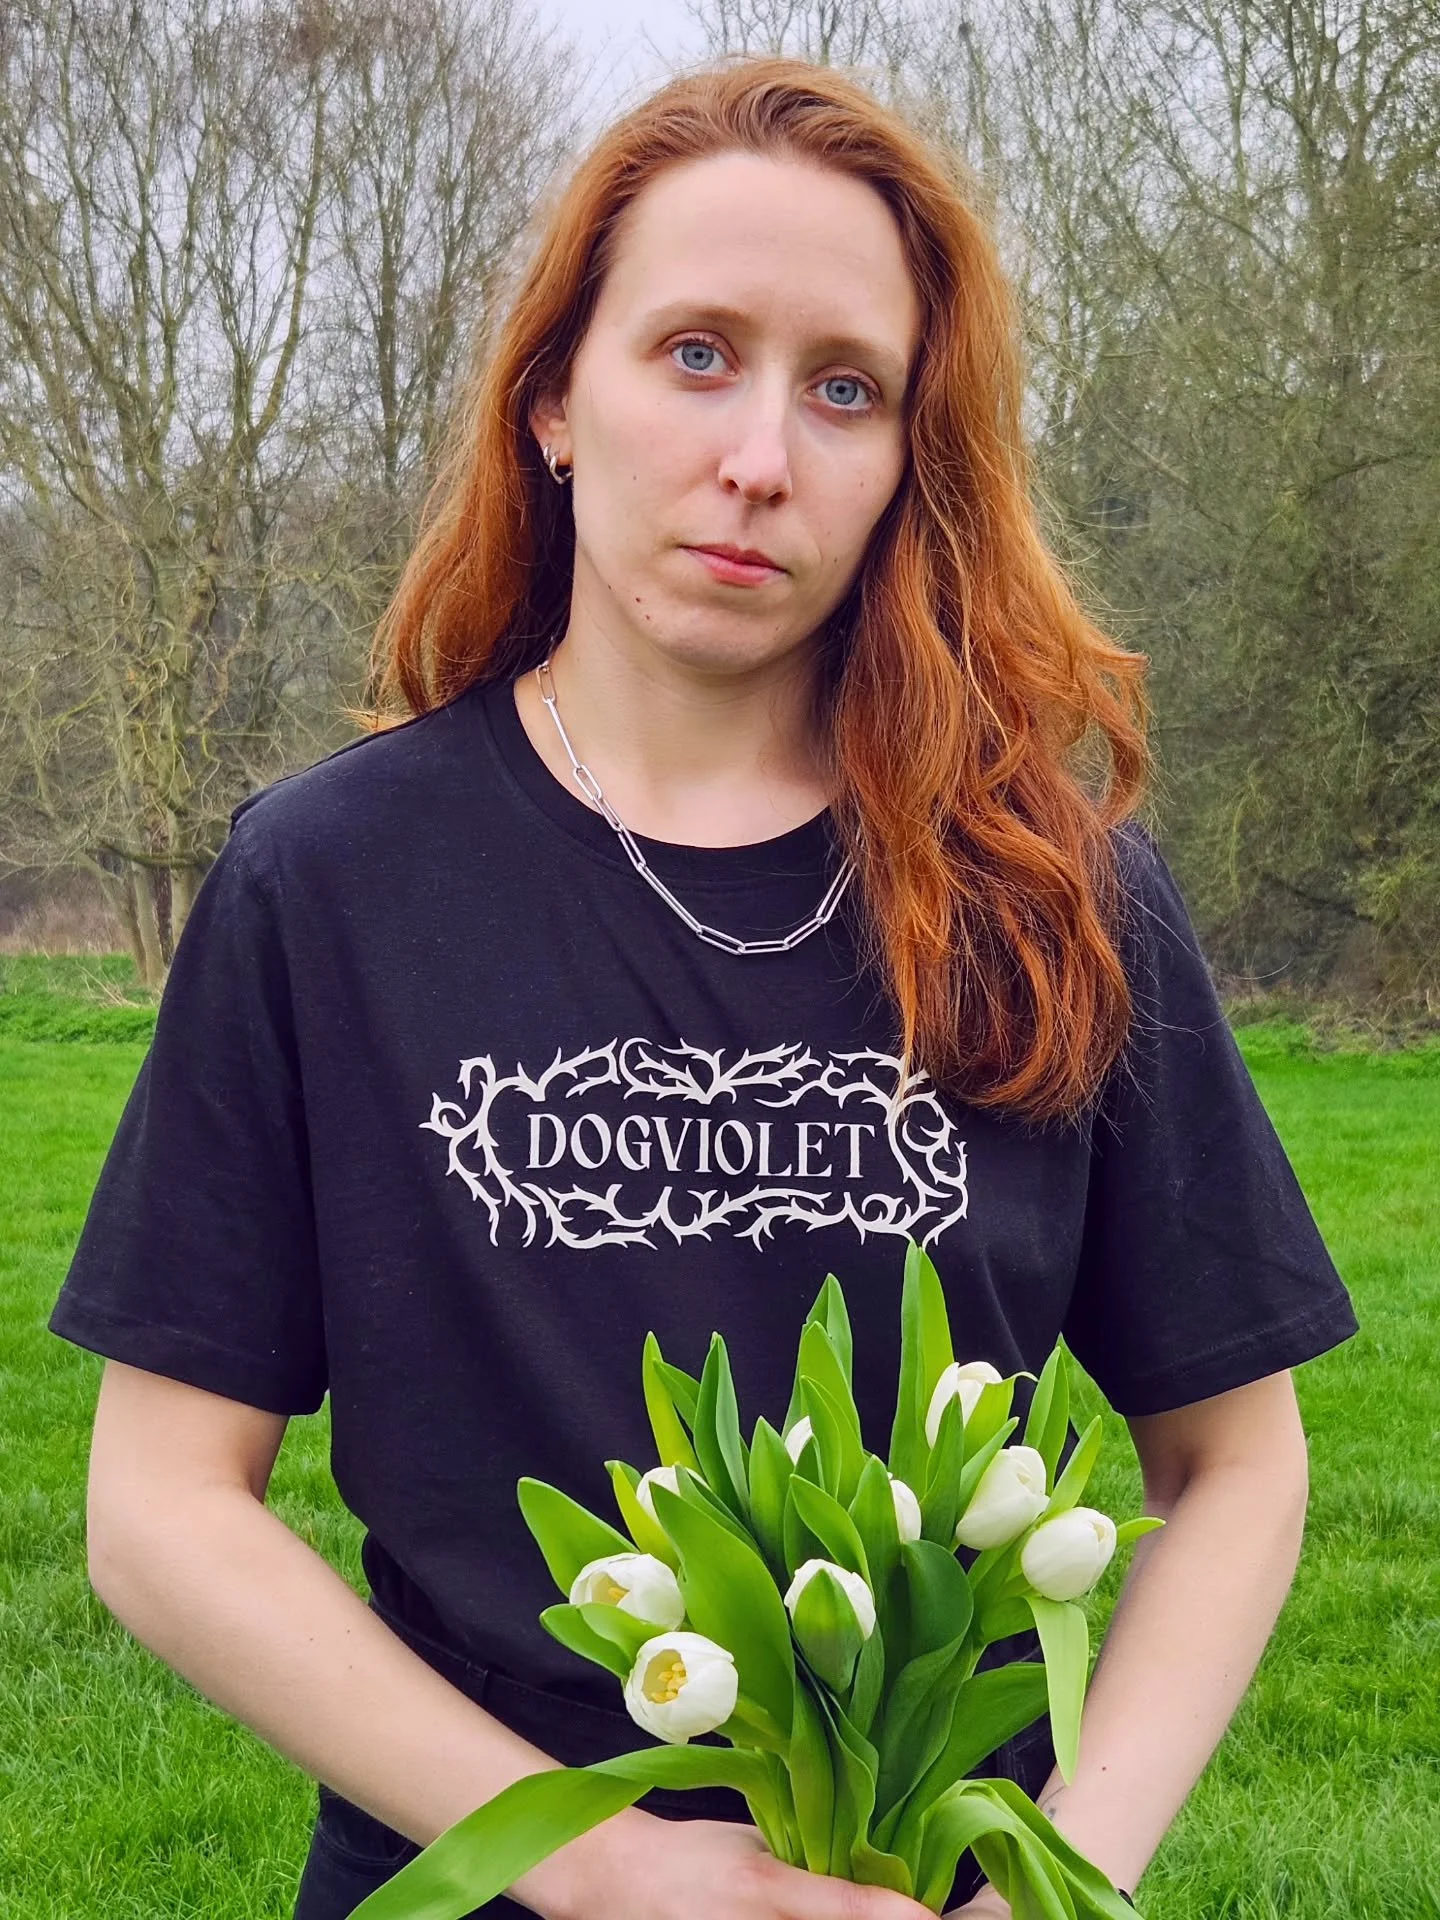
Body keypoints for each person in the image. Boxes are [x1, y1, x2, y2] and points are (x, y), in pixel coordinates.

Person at [50, 55, 1358, 1920]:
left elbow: (1237, 1462)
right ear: (555, 400)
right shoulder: (329, 883)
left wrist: (1058, 1873)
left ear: (916, 460)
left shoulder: (1051, 898)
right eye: (693, 354)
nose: (762, 456)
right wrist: (599, 1870)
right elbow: (161, 1510)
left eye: (847, 388)